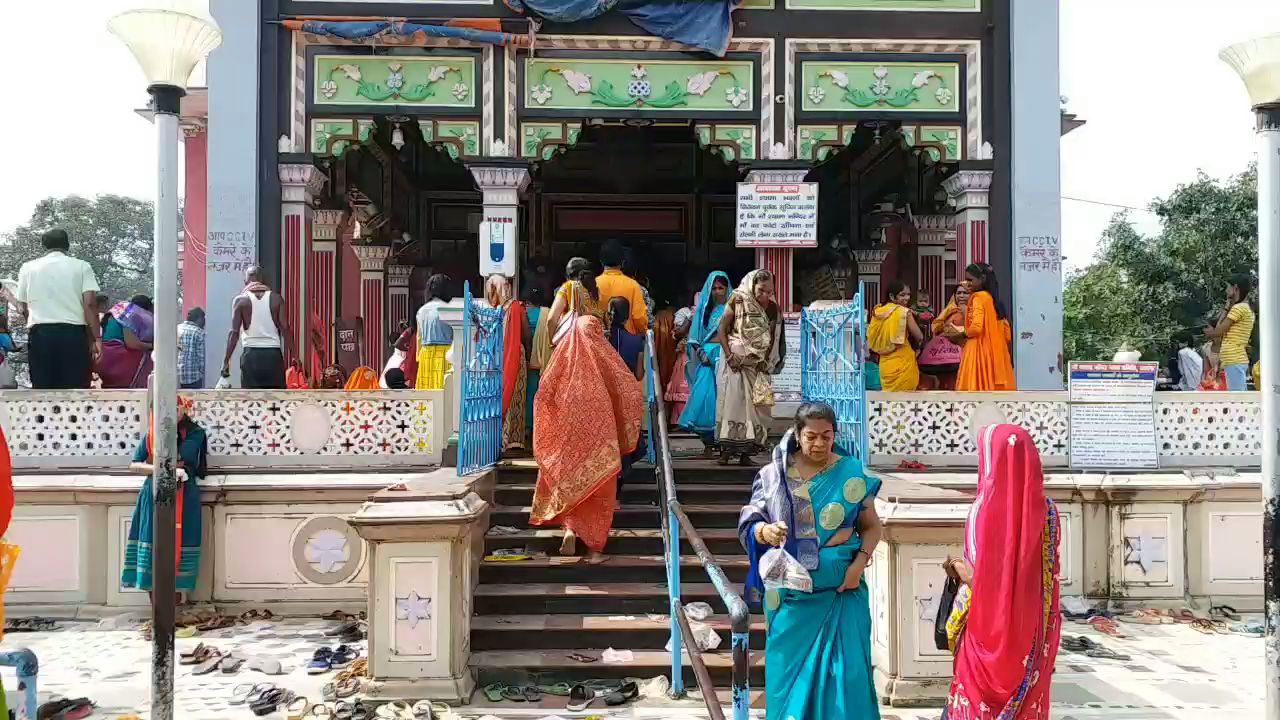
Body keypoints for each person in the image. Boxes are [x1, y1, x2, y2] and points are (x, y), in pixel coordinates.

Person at [738, 402, 882, 719]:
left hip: (843, 593)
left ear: (835, 435)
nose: (819, 444)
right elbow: (750, 523)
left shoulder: (851, 474)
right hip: (792, 597)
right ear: (797, 434)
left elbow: (872, 527)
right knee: (787, 681)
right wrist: (766, 532)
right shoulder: (774, 476)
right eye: (811, 436)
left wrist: (858, 566)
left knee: (848, 678)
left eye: (826, 436)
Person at [941, 423, 1061, 720]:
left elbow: (977, 579)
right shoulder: (1048, 511)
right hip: (1030, 628)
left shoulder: (982, 512)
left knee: (977, 701)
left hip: (985, 630)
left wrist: (957, 567)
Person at [529, 314, 644, 565]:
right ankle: (595, 551)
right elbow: (628, 388)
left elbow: (543, 392)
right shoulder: (604, 359)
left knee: (571, 479)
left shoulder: (564, 357)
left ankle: (570, 530)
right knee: (600, 489)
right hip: (600, 437)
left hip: (567, 436)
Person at [121, 396, 207, 599]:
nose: (170, 413)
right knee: (153, 546)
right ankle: (157, 618)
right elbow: (135, 464)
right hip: (153, 494)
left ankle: (172, 618)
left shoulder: (195, 433)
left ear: (184, 410)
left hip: (184, 494)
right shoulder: (152, 434)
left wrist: (167, 440)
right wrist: (158, 469)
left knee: (179, 548)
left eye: (175, 408)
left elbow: (183, 456)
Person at [15, 228, 101, 389]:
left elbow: (22, 306)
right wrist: (96, 338)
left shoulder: (28, 268)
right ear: (67, 245)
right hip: (74, 336)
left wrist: (33, 322)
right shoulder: (82, 267)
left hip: (41, 335)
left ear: (44, 246)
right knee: (75, 390)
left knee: (43, 390)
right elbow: (89, 304)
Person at [716, 270, 783, 465]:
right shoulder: (737, 300)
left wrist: (768, 361)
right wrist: (729, 356)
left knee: (757, 409)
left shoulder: (772, 309)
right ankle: (726, 453)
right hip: (736, 363)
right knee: (733, 406)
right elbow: (722, 329)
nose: (764, 296)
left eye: (769, 292)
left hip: (758, 365)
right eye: (761, 290)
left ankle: (746, 454)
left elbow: (773, 338)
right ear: (751, 285)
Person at [678, 272, 731, 457]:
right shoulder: (703, 312)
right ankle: (708, 444)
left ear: (727, 288)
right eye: (714, 288)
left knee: (726, 401)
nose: (718, 292)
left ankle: (726, 445)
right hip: (707, 358)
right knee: (704, 400)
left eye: (721, 288)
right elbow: (694, 337)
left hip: (726, 357)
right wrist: (701, 353)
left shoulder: (733, 309)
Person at [222, 267, 290, 389]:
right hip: (273, 356)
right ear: (262, 279)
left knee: (251, 401)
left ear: (246, 281)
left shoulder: (240, 300)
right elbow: (285, 328)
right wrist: (295, 355)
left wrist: (226, 361)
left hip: (251, 356)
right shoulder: (276, 299)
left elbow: (234, 333)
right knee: (276, 401)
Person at [951, 264, 1016, 391]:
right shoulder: (995, 301)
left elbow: (976, 328)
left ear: (982, 279)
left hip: (977, 351)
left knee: (974, 394)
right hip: (996, 354)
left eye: (970, 280)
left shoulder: (978, 298)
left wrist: (964, 333)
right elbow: (1007, 334)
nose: (967, 283)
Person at [487, 274, 532, 454]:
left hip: (495, 359)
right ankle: (513, 439)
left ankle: (499, 438)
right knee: (516, 396)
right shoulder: (515, 307)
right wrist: (528, 356)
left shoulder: (489, 310)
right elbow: (527, 335)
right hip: (513, 356)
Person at [1203, 274, 1255, 391]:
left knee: (1238, 400)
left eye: (1228, 287)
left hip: (1233, 358)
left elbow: (1219, 330)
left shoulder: (1238, 308)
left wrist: (1211, 332)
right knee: (1239, 397)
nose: (1226, 291)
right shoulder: (1245, 308)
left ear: (1235, 288)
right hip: (1234, 358)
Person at [868, 281, 922, 392]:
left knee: (889, 402)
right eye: (902, 295)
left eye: (908, 294)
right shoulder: (903, 312)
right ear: (892, 296)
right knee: (905, 403)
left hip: (885, 364)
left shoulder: (877, 312)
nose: (906, 298)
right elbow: (919, 336)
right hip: (904, 363)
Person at [100, 295, 156, 389]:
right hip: (119, 362)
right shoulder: (130, 316)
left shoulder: (117, 314)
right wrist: (153, 346)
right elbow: (132, 344)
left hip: (106, 362)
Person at [548, 257, 606, 343]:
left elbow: (551, 319)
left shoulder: (568, 287)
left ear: (568, 275)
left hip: (574, 343)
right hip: (596, 342)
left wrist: (552, 342)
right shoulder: (597, 289)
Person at [595, 239, 648, 335]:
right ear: (623, 262)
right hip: (627, 342)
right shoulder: (633, 285)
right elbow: (639, 318)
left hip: (598, 341)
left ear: (601, 262)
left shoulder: (593, 284)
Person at [414, 274, 454, 390]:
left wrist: (419, 358)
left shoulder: (421, 311)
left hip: (426, 354)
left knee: (426, 392)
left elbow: (419, 337)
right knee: (444, 391)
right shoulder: (449, 309)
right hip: (445, 353)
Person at [524, 285, 553, 442]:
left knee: (528, 395)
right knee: (541, 394)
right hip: (545, 359)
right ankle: (541, 428)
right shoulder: (547, 314)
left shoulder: (524, 313)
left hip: (527, 360)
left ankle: (527, 428)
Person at [665, 283, 698, 422]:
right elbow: (678, 334)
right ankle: (682, 421)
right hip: (687, 354)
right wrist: (691, 318)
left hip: (704, 356)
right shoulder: (684, 313)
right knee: (683, 389)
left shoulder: (712, 313)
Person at [177, 308, 207, 390]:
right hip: (194, 378)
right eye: (204, 319)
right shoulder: (200, 333)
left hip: (176, 376)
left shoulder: (177, 329)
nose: (205, 323)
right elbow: (202, 359)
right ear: (199, 318)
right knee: (192, 401)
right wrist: (202, 373)